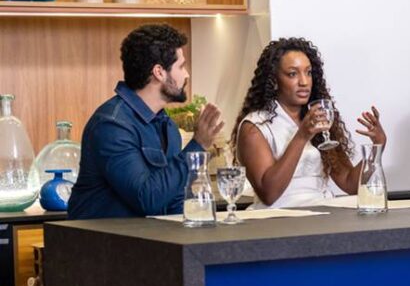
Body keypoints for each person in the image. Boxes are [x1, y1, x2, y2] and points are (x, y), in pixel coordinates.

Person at [68, 24, 224, 219]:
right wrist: (197, 145)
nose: (186, 75)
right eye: (181, 66)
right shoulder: (112, 125)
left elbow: (174, 199)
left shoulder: (167, 126)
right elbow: (146, 199)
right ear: (159, 72)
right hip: (104, 238)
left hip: (146, 237)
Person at [233, 37, 386, 208]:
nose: (304, 82)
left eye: (308, 72)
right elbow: (269, 194)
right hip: (279, 215)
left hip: (322, 210)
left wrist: (377, 145)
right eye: (292, 74)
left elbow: (349, 183)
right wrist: (302, 136)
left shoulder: (318, 119)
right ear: (274, 80)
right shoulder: (254, 126)